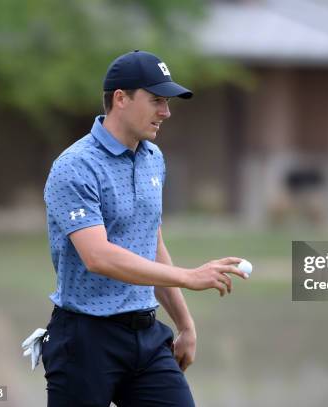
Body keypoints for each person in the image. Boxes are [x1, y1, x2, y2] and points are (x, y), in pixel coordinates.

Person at [41, 50, 248, 406]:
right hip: (85, 341)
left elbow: (150, 240)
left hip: (147, 338)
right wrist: (188, 276)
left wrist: (184, 324)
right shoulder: (75, 166)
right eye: (156, 101)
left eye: (166, 103)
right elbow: (98, 256)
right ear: (120, 98)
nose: (165, 113)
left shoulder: (153, 158)